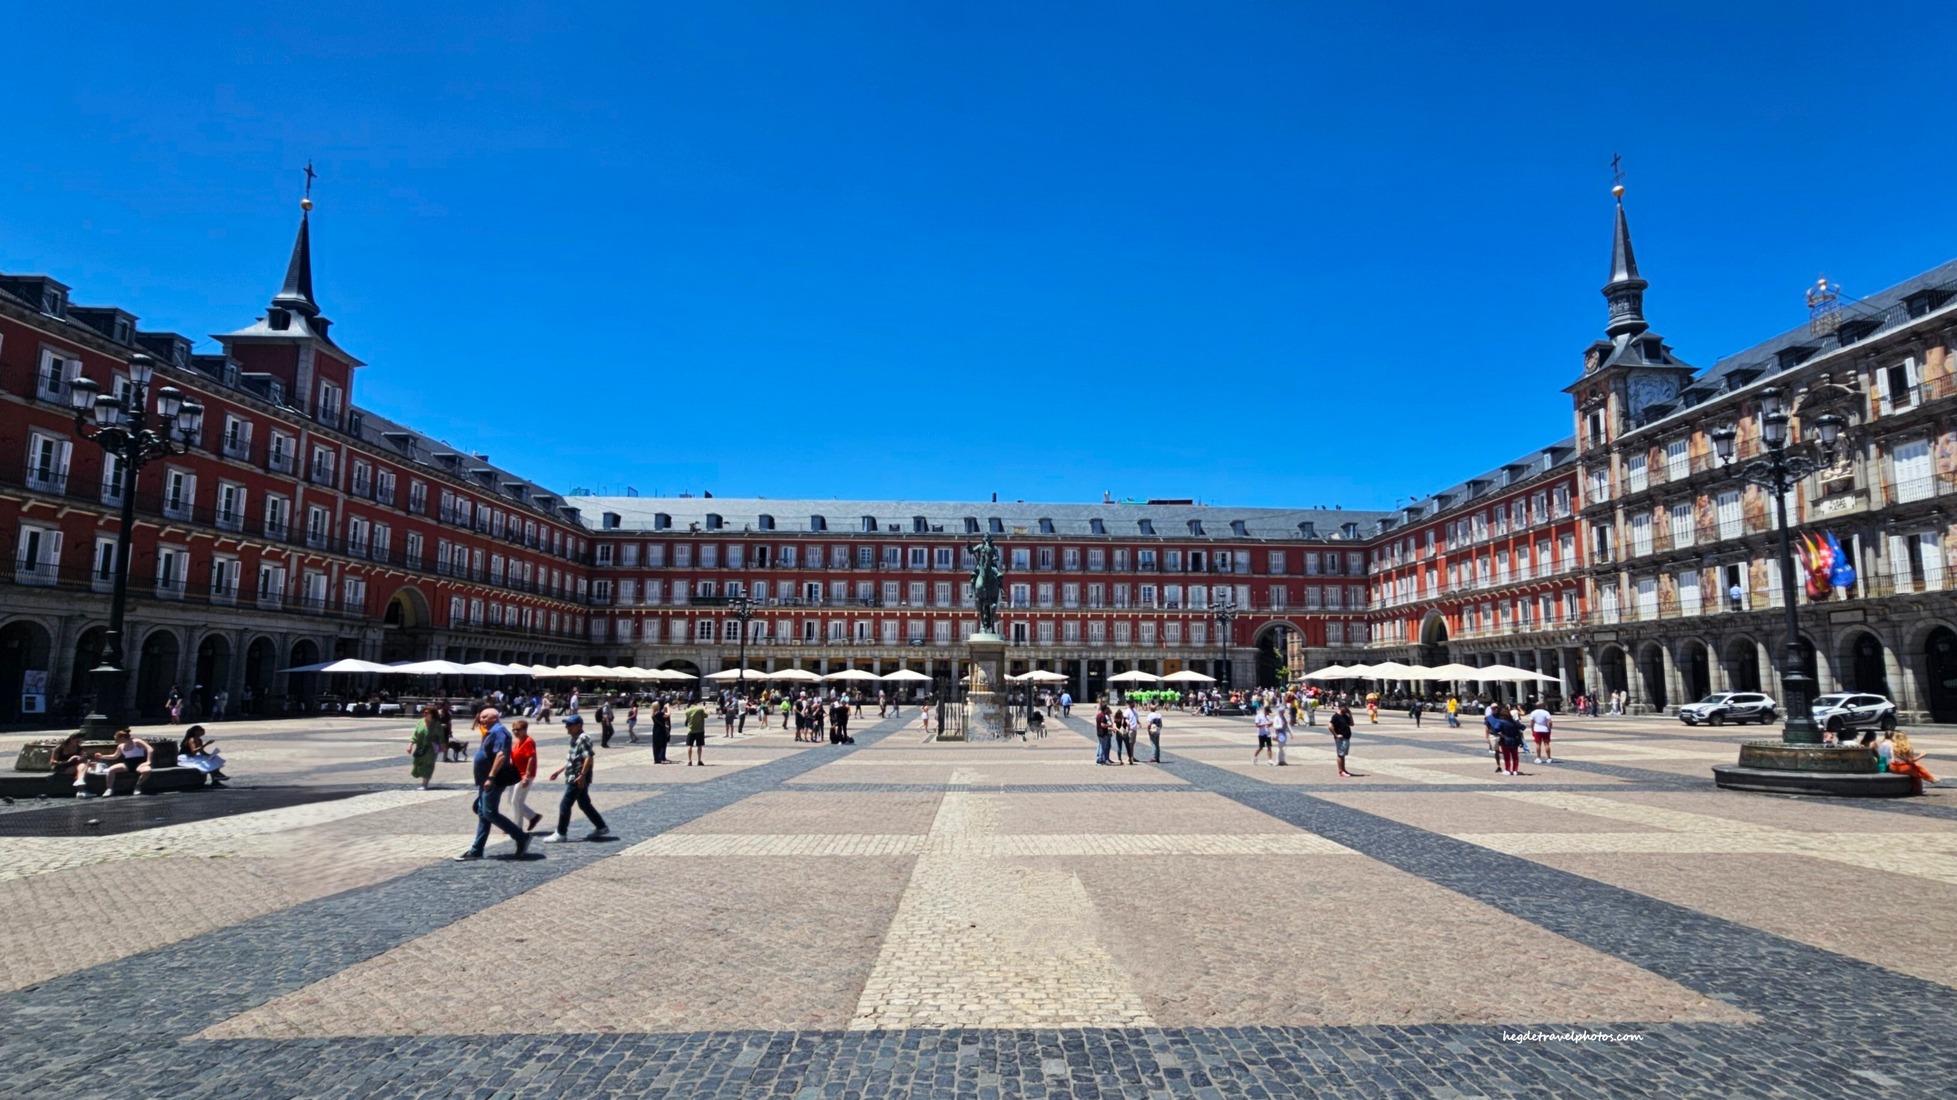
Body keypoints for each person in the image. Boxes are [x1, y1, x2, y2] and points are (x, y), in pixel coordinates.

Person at [456, 709, 528, 860]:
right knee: (483, 813)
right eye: (480, 716)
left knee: (489, 813)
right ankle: (476, 850)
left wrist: (491, 777)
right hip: (486, 780)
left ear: (495, 717)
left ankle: (521, 836)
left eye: (484, 717)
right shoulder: (492, 732)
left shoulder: (499, 732)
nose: (481, 719)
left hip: (494, 780)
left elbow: (500, 755)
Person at [544, 713, 613, 842]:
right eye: (566, 725)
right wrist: (559, 771)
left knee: (565, 804)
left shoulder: (583, 738)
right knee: (584, 804)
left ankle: (561, 833)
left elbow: (588, 757)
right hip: (574, 775)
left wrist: (582, 775)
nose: (567, 727)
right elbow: (573, 760)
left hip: (577, 777)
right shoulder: (575, 738)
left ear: (579, 726)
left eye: (570, 725)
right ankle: (601, 827)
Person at [83, 730, 152, 797]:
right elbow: (114, 756)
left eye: (116, 739)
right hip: (128, 763)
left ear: (122, 738)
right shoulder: (121, 746)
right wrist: (102, 756)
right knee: (111, 770)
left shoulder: (136, 742)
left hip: (140, 762)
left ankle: (138, 786)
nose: (115, 741)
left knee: (147, 771)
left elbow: (150, 749)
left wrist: (148, 761)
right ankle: (109, 788)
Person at [508, 718, 544, 832]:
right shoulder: (517, 741)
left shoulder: (529, 741)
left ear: (524, 730)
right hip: (515, 774)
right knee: (511, 800)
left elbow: (531, 758)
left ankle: (517, 827)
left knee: (516, 801)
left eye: (518, 729)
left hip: (524, 775)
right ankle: (533, 817)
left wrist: (527, 776)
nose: (515, 732)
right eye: (513, 730)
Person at [408, 705, 440, 789]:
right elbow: (415, 735)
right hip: (420, 747)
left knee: (428, 765)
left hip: (431, 748)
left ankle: (424, 784)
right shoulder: (420, 722)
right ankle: (423, 780)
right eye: (424, 712)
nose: (424, 714)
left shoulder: (436, 724)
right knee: (416, 763)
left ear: (432, 714)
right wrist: (410, 745)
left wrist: (443, 745)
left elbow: (441, 736)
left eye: (427, 712)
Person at [1493, 707, 1526, 776]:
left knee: (1507, 756)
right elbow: (1523, 727)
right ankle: (1515, 770)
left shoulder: (1501, 722)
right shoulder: (1514, 722)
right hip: (1515, 740)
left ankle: (1507, 769)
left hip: (1505, 740)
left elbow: (1495, 730)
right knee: (1515, 756)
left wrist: (1500, 734)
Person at [1329, 704, 1354, 778]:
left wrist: (1350, 714)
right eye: (1345, 707)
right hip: (1341, 738)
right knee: (1340, 754)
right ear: (1341, 707)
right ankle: (1341, 771)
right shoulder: (1335, 716)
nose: (1347, 709)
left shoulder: (1345, 715)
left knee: (1343, 755)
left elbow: (1352, 724)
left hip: (1346, 737)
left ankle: (1344, 769)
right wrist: (1336, 735)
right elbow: (1330, 726)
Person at [683, 697, 709, 766]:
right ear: (695, 702)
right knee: (699, 746)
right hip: (699, 730)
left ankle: (689, 760)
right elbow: (706, 716)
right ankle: (699, 760)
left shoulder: (687, 711)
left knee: (689, 745)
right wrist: (705, 709)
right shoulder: (700, 709)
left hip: (690, 730)